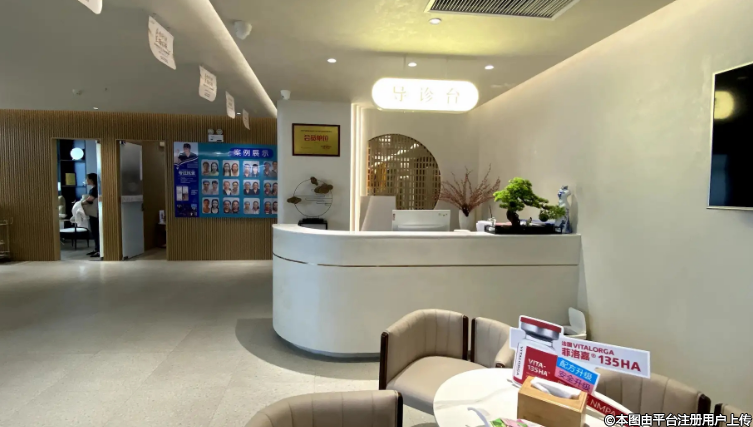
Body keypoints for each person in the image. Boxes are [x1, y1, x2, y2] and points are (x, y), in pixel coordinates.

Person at [83, 173, 100, 258]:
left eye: (87, 179)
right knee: (95, 232)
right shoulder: (96, 188)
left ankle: (98, 250)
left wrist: (80, 203)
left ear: (91, 180)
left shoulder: (94, 189)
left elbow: (89, 200)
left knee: (96, 232)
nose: (86, 180)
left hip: (94, 214)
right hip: (95, 213)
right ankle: (97, 249)